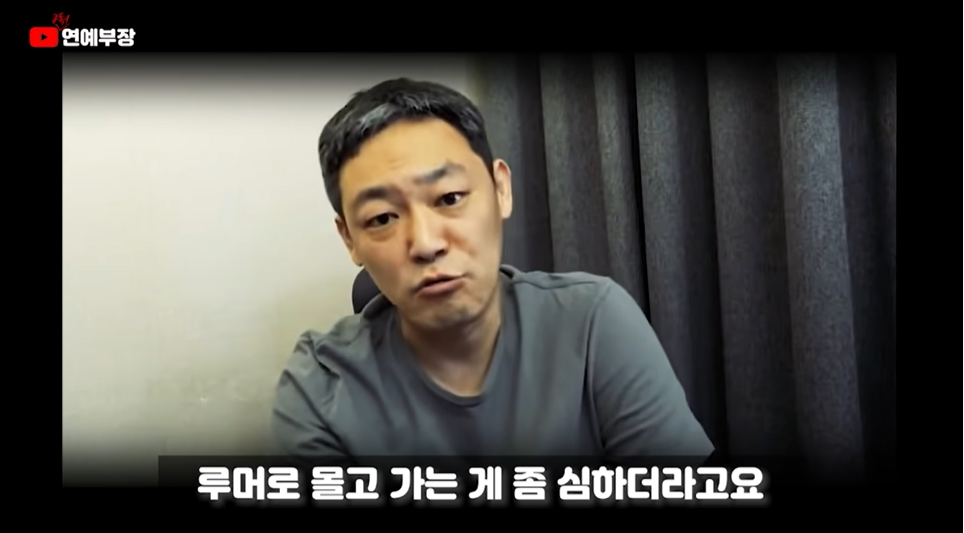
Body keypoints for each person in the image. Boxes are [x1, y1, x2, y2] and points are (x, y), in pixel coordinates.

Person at [271, 78, 713, 461]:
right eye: (382, 218)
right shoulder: (320, 386)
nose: (426, 243)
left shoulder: (594, 322)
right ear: (349, 238)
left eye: (449, 198)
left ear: (501, 189)